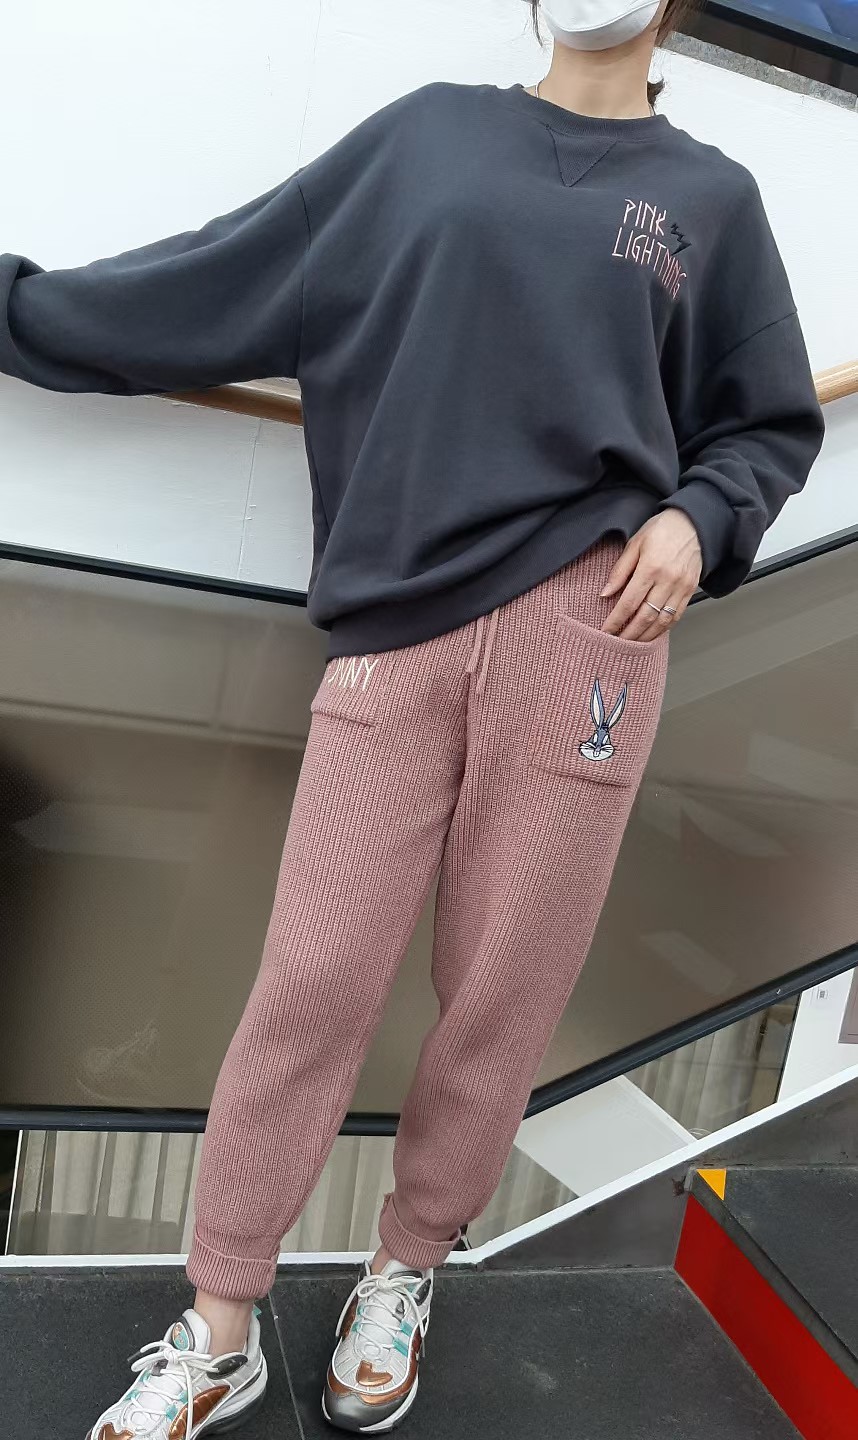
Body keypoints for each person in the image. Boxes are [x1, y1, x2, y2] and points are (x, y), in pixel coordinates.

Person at [0, 0, 825, 1432]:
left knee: (504, 988)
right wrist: (22, 310)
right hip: (399, 623)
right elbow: (218, 277)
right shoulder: (426, 140)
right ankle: (221, 1321)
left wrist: (701, 518)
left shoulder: (711, 199)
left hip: (590, 634)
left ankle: (406, 1267)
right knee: (312, 979)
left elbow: (765, 423)